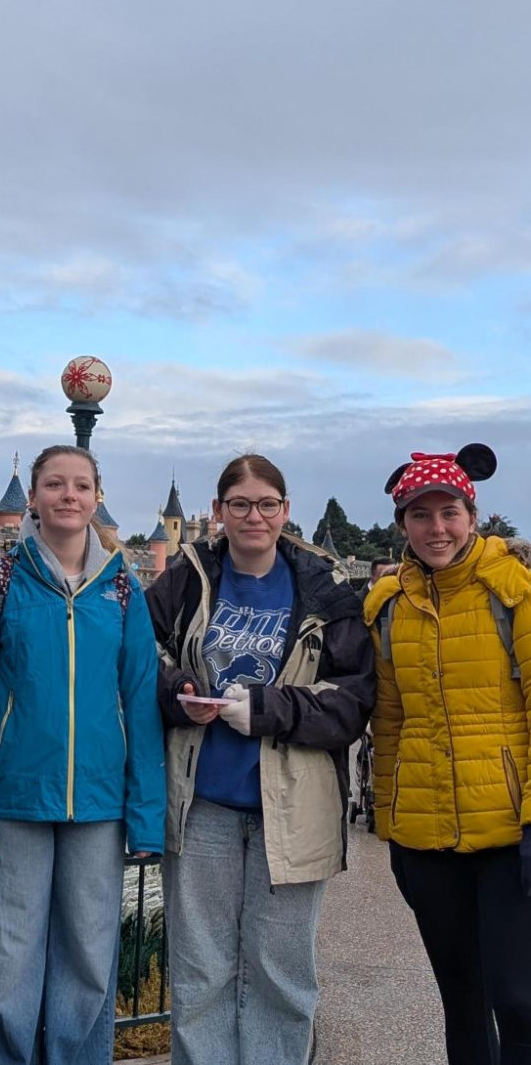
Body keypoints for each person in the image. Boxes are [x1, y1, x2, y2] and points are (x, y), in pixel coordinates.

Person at [150, 452, 374, 1065]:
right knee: (200, 973)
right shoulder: (187, 578)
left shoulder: (326, 591)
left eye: (266, 504)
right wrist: (178, 693)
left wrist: (270, 710)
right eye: (241, 504)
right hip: (203, 806)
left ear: (285, 510)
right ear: (218, 511)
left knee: (282, 976)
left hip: (294, 813)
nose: (254, 516)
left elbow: (353, 701)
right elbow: (142, 657)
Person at [0, 444, 165, 1065]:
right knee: (8, 955)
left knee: (89, 957)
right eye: (54, 484)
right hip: (14, 798)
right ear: (34, 497)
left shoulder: (122, 588)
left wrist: (146, 816)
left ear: (96, 497)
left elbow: (141, 703)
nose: (67, 495)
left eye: (80, 485)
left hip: (98, 802)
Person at [365, 445, 531, 1065]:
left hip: (509, 831)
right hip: (426, 834)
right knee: (462, 1000)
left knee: (518, 1000)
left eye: (449, 513)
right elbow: (389, 721)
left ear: (472, 516)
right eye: (420, 515)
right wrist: (388, 820)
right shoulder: (389, 606)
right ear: (402, 524)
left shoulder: (513, 593)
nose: (437, 529)